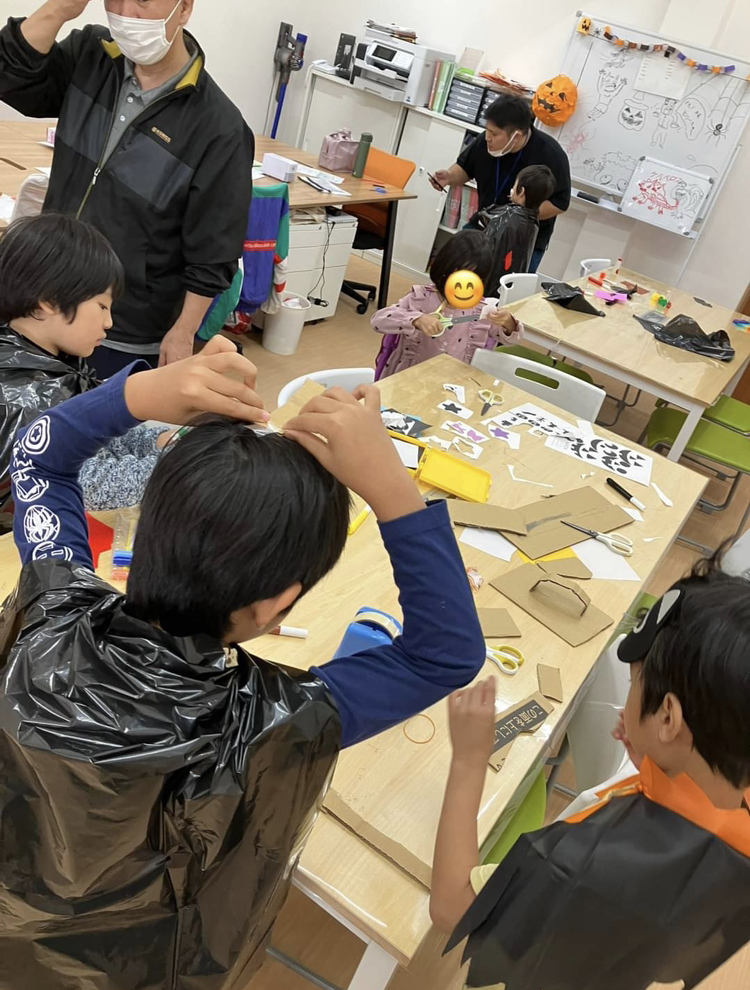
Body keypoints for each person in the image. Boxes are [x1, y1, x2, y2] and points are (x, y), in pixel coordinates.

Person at [0, 336, 486, 989]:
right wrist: (394, 490)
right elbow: (444, 652)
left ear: (152, 528)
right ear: (276, 606)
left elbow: (40, 458)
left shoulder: (49, 611)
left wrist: (139, 394)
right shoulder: (269, 724)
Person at [429, 561, 750, 990]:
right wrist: (658, 761)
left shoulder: (589, 867)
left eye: (634, 684)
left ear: (668, 720)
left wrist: (469, 760)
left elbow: (453, 906)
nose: (629, 694)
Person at [0, 0, 254, 375]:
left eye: (142, 1)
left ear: (184, 8)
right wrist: (60, 8)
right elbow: (12, 76)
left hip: (124, 329)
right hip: (45, 305)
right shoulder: (91, 55)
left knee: (103, 411)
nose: (125, 14)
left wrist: (183, 331)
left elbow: (214, 253)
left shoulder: (219, 128)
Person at [0, 213, 172, 512]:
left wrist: (161, 441)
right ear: (49, 300)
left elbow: (97, 435)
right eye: (102, 306)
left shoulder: (54, 366)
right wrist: (182, 461)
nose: (108, 322)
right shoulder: (24, 396)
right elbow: (93, 485)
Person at [430, 94, 571, 273]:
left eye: (494, 134)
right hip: (483, 224)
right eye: (487, 130)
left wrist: (516, 216)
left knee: (503, 288)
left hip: (522, 239)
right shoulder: (485, 142)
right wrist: (449, 176)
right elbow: (465, 168)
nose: (487, 137)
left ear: (516, 136)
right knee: (453, 274)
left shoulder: (551, 154)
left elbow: (560, 203)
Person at [372, 230, 522, 380]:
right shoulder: (421, 297)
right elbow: (378, 321)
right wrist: (416, 320)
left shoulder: (482, 309)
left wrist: (508, 323)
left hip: (453, 381)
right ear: (444, 268)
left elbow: (511, 340)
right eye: (457, 275)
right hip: (410, 377)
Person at [478, 163, 557, 294]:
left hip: (485, 290)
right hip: (505, 291)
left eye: (515, 186)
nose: (512, 189)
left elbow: (486, 257)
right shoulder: (532, 222)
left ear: (521, 192)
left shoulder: (506, 220)